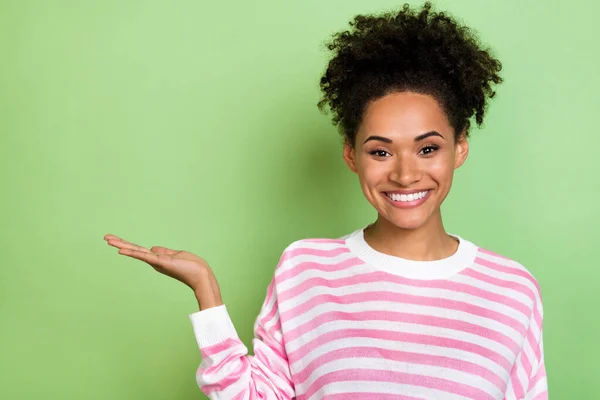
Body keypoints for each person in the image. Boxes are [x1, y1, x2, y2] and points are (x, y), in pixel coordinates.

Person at [104, 2, 547, 399]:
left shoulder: (512, 291)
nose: (405, 172)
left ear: (460, 149)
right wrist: (206, 289)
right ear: (352, 156)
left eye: (428, 148)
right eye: (380, 151)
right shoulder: (305, 269)